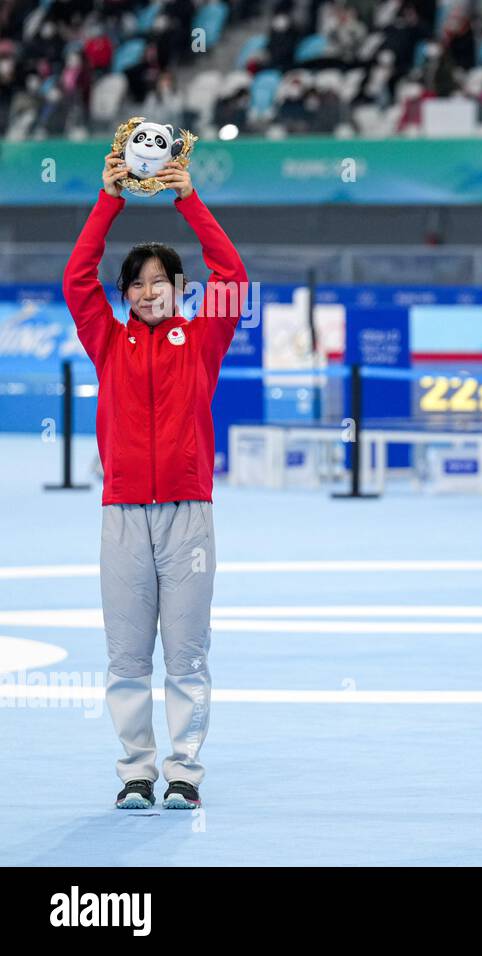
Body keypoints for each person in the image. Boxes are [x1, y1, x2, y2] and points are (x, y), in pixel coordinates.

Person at [62, 151, 248, 811]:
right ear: (125, 293)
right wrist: (108, 199)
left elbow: (233, 272)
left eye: (158, 281)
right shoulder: (107, 342)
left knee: (188, 656)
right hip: (122, 518)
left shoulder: (203, 339)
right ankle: (136, 772)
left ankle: (184, 774)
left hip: (188, 515)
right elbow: (76, 278)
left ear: (177, 288)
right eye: (136, 283)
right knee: (127, 658)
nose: (146, 291)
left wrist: (186, 199)